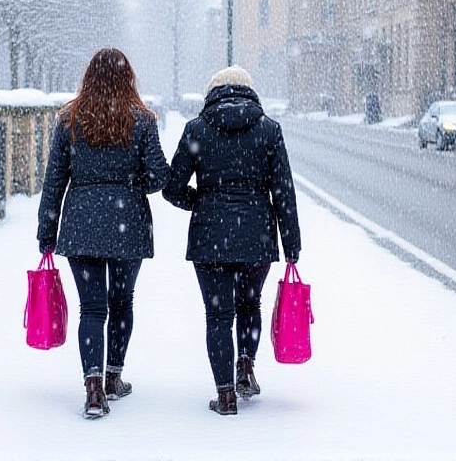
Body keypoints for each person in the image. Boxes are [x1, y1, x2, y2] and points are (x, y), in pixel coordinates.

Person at [37, 48, 170, 419]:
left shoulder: (70, 119)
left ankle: (93, 388)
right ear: (128, 78)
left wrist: (47, 231)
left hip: (81, 222)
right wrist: (131, 183)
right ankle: (114, 376)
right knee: (122, 300)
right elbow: (160, 176)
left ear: (88, 78)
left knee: (92, 308)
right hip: (127, 223)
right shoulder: (142, 120)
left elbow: (54, 181)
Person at [163, 66, 301, 416]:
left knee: (218, 316)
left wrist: (200, 202)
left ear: (212, 92)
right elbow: (283, 191)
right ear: (250, 92)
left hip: (210, 235)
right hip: (257, 234)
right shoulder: (269, 130)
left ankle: (225, 395)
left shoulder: (197, 129)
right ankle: (246, 366)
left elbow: (172, 187)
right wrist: (292, 244)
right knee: (249, 304)